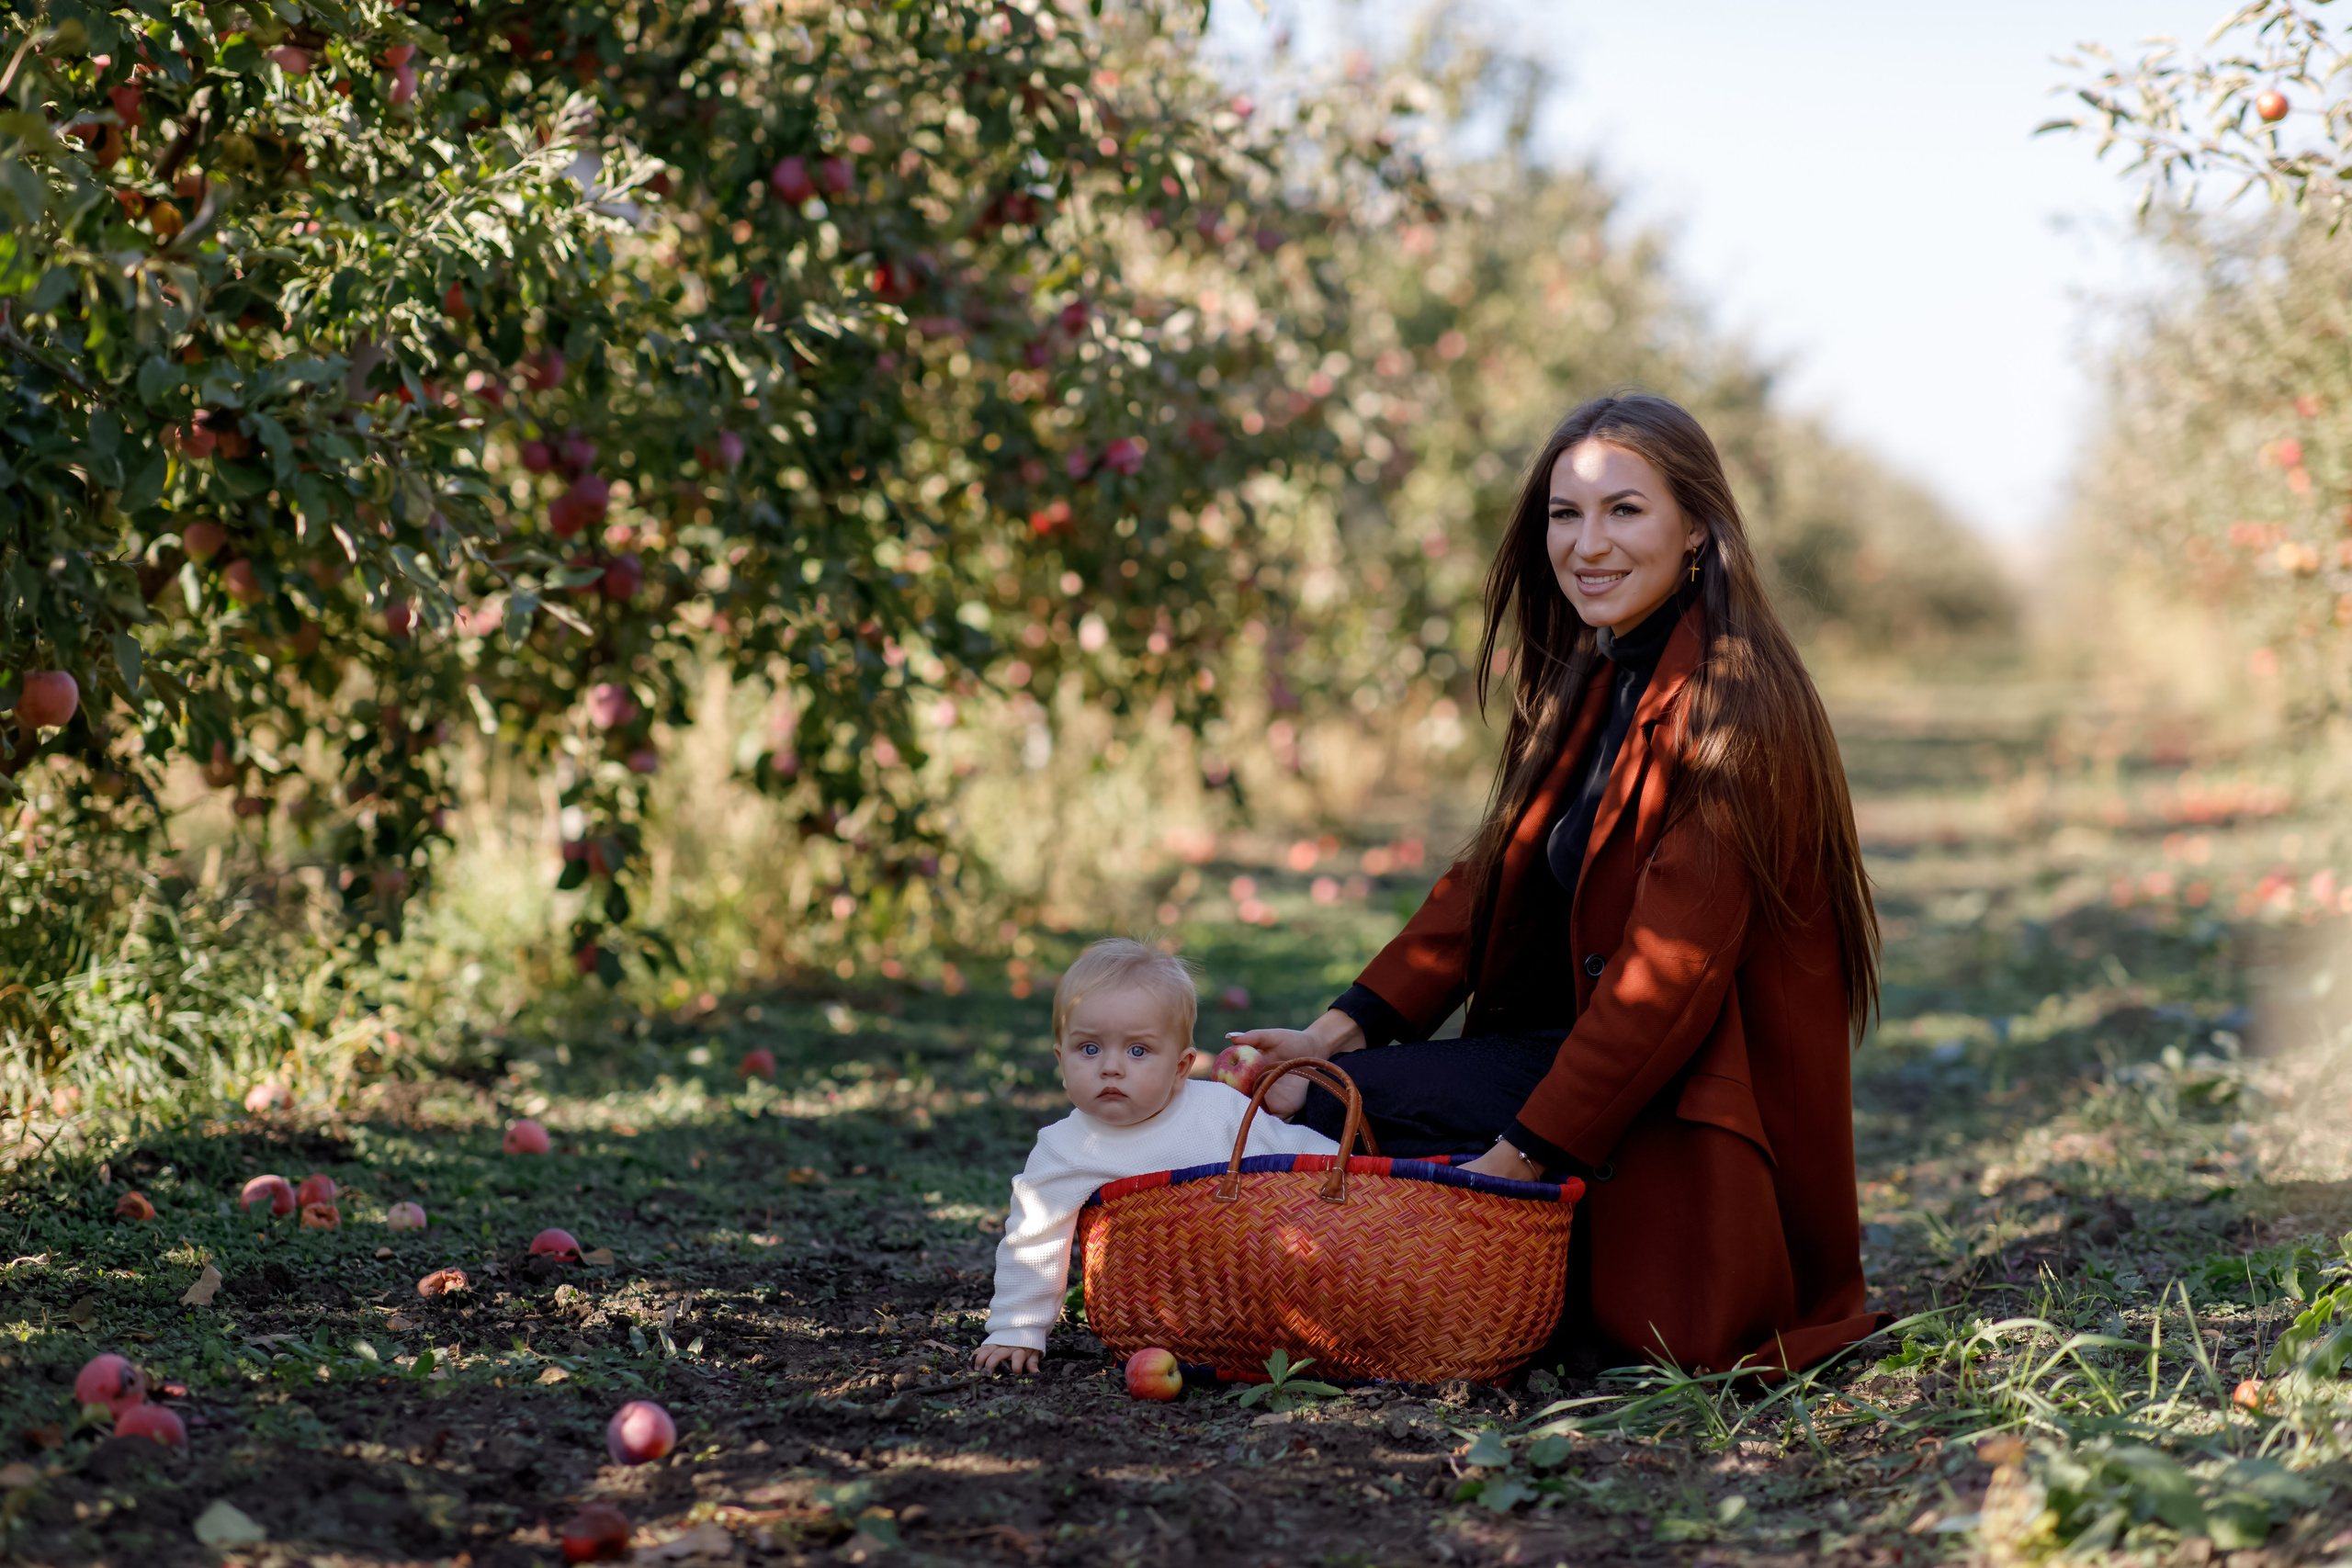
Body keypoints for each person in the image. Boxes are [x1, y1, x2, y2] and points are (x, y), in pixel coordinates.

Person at [1229, 392, 1888, 1377]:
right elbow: (1489, 876)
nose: (1587, 543)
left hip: (1687, 1104)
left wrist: (1516, 1163)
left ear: (1697, 528)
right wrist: (1335, 1031)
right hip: (1583, 1054)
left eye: (1624, 510)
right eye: (1563, 514)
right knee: (1303, 1091)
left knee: (1321, 1114)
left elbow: (1664, 984)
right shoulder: (1599, 673)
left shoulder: (1735, 709)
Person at [972, 938, 1339, 1374]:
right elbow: (1033, 1237)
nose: (1111, 1067)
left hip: (1258, 1286)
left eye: (1138, 1051)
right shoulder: (1065, 1147)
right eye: (1089, 1049)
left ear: (1182, 1067)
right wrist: (1017, 1329)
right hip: (1157, 1310)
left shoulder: (1220, 1109)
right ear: (1060, 1060)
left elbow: (1296, 1154)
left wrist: (1353, 1172)